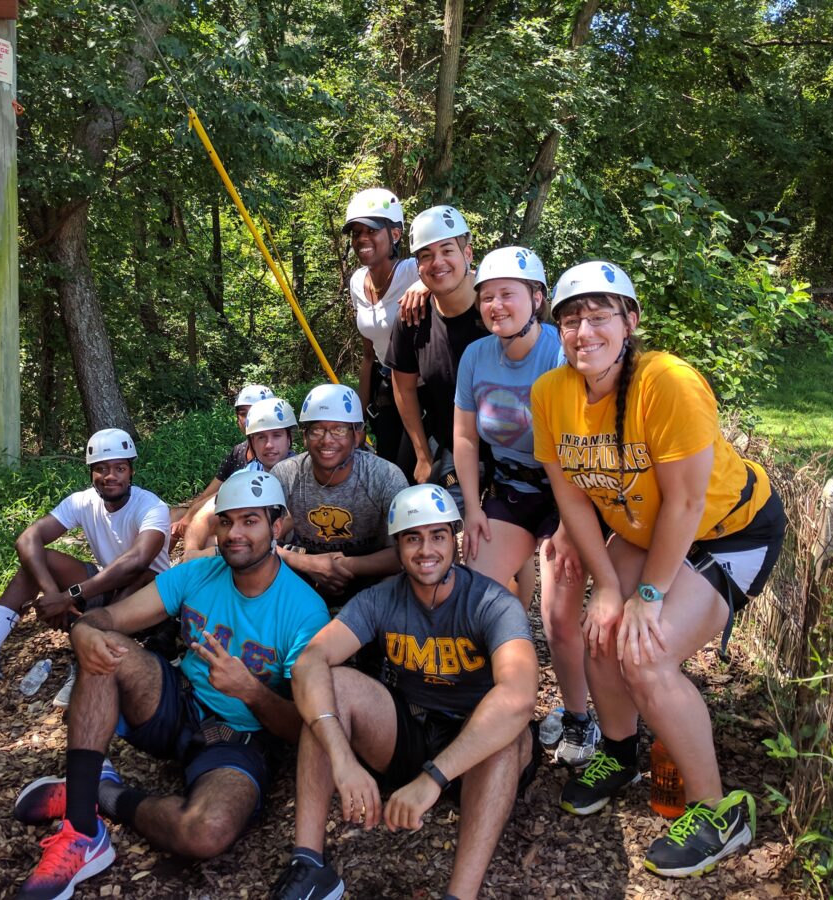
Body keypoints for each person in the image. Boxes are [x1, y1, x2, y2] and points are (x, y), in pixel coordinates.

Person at [530, 260, 785, 877]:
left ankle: (720, 809)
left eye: (599, 315)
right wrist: (609, 588)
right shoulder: (550, 392)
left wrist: (644, 593)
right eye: (570, 319)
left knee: (645, 653)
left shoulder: (667, 381)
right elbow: (571, 498)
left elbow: (688, 502)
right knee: (601, 628)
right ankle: (619, 753)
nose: (584, 330)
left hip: (729, 528)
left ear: (630, 321)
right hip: (646, 526)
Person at [11, 470, 329, 900]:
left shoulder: (306, 612)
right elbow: (111, 619)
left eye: (250, 521)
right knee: (102, 645)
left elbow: (304, 729)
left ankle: (97, 793)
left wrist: (249, 690)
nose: (234, 533)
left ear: (276, 527)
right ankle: (83, 831)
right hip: (178, 702)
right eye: (226, 521)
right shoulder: (198, 573)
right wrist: (86, 629)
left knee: (204, 833)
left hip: (241, 739)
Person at [270, 484, 540, 900]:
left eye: (437, 536)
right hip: (408, 731)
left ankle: (459, 894)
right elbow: (309, 662)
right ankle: (308, 864)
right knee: (330, 684)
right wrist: (342, 759)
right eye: (413, 538)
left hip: (475, 752)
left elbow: (520, 695)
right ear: (397, 547)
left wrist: (433, 778)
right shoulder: (381, 598)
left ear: (455, 540)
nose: (426, 549)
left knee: (509, 733)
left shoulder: (491, 602)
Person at [452, 246, 598, 766]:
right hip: (512, 488)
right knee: (477, 595)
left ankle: (581, 717)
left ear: (536, 299)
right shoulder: (475, 356)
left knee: (558, 613)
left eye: (507, 294)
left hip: (571, 490)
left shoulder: (561, 353)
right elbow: (466, 439)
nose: (495, 305)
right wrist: (472, 507)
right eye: (487, 296)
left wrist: (568, 526)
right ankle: (497, 703)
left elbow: (582, 441)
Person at [0, 429, 170, 705]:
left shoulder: (151, 507)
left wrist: (67, 597)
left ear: (131, 472)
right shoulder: (82, 501)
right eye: (101, 469)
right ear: (91, 473)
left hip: (151, 597)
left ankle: (92, 663)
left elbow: (136, 563)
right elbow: (28, 538)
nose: (110, 476)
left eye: (119, 468)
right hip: (107, 586)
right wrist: (53, 594)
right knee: (37, 561)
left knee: (140, 575)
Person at [271, 383, 410, 605]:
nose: (327, 440)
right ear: (305, 437)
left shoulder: (385, 477)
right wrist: (308, 564)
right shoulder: (286, 475)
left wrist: (343, 565)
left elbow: (409, 549)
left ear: (357, 436)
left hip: (373, 576)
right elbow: (257, 540)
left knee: (406, 583)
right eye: (317, 430)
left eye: (339, 430)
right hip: (304, 574)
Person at [385, 205, 489, 499]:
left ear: (468, 254)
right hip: (455, 450)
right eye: (426, 255)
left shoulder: (496, 307)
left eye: (447, 250)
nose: (437, 262)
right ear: (417, 266)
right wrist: (422, 455)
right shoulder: (413, 318)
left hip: (517, 451)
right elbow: (403, 386)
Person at [344, 188, 416, 465]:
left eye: (371, 231)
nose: (362, 239)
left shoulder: (412, 271)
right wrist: (358, 420)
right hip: (387, 392)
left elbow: (463, 277)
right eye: (356, 232)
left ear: (395, 235)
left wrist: (425, 283)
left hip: (424, 393)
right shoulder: (357, 283)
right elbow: (368, 355)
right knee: (390, 470)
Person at [182, 397, 298, 557]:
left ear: (288, 438)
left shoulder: (301, 473)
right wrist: (190, 553)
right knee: (211, 539)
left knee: (214, 544)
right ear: (251, 442)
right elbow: (204, 516)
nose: (269, 445)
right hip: (256, 546)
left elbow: (290, 519)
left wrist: (213, 552)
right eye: (261, 437)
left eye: (276, 435)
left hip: (289, 551)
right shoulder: (244, 475)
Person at [170, 383, 275, 549]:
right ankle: (157, 570)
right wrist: (188, 516)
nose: (249, 419)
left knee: (207, 533)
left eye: (255, 412)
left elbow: (221, 495)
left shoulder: (275, 456)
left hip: (244, 518)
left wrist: (192, 517)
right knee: (172, 516)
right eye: (243, 413)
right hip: (223, 509)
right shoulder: (238, 452)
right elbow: (211, 492)